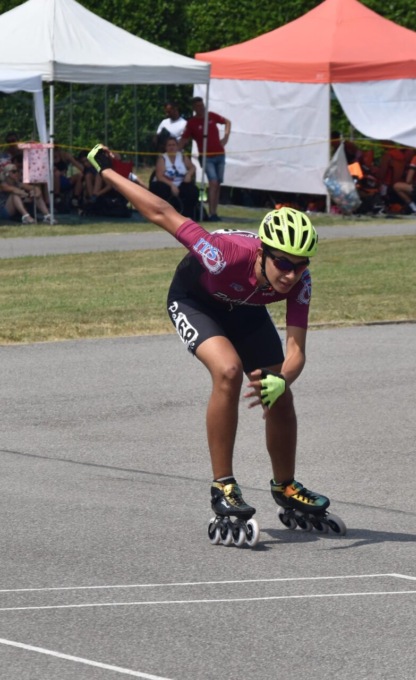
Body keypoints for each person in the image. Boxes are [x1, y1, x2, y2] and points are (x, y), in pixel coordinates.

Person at [88, 143, 344, 546]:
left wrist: (283, 380)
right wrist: (107, 172)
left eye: (300, 265)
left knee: (279, 391)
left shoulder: (300, 283)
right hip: (195, 301)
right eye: (283, 263)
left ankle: (285, 485)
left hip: (244, 309)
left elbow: (297, 352)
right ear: (263, 252)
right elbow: (163, 212)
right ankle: (223, 486)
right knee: (228, 370)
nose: (291, 274)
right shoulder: (223, 255)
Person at [179, 96, 231, 222]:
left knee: (217, 184)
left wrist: (225, 137)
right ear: (194, 108)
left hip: (220, 154)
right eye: (197, 106)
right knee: (213, 182)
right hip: (207, 157)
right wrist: (175, 149)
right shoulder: (192, 123)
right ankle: (212, 213)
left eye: (201, 105)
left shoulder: (211, 116)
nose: (200, 108)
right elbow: (184, 139)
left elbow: (227, 122)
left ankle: (214, 211)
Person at [149, 136, 199, 218]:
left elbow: (193, 167)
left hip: (181, 183)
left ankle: (187, 215)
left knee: (192, 191)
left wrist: (189, 174)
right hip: (166, 183)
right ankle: (164, 215)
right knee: (161, 189)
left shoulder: (182, 156)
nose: (172, 147)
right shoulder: (162, 158)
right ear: (165, 147)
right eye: (169, 145)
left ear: (177, 146)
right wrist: (172, 185)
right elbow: (159, 176)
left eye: (174, 145)